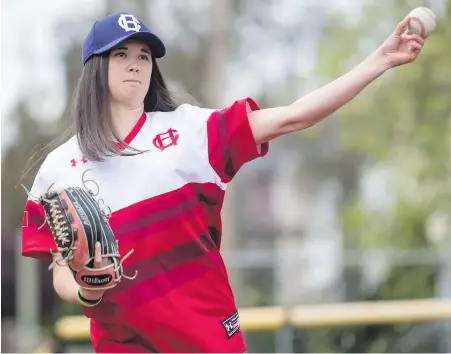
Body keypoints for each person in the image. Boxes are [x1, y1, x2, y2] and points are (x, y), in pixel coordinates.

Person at [21, 11, 425, 353]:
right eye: (121, 54)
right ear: (94, 67)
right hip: (122, 343)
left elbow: (294, 116)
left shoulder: (193, 131)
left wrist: (380, 61)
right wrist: (86, 290)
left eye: (144, 56)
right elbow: (61, 273)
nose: (135, 64)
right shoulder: (60, 169)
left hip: (206, 338)